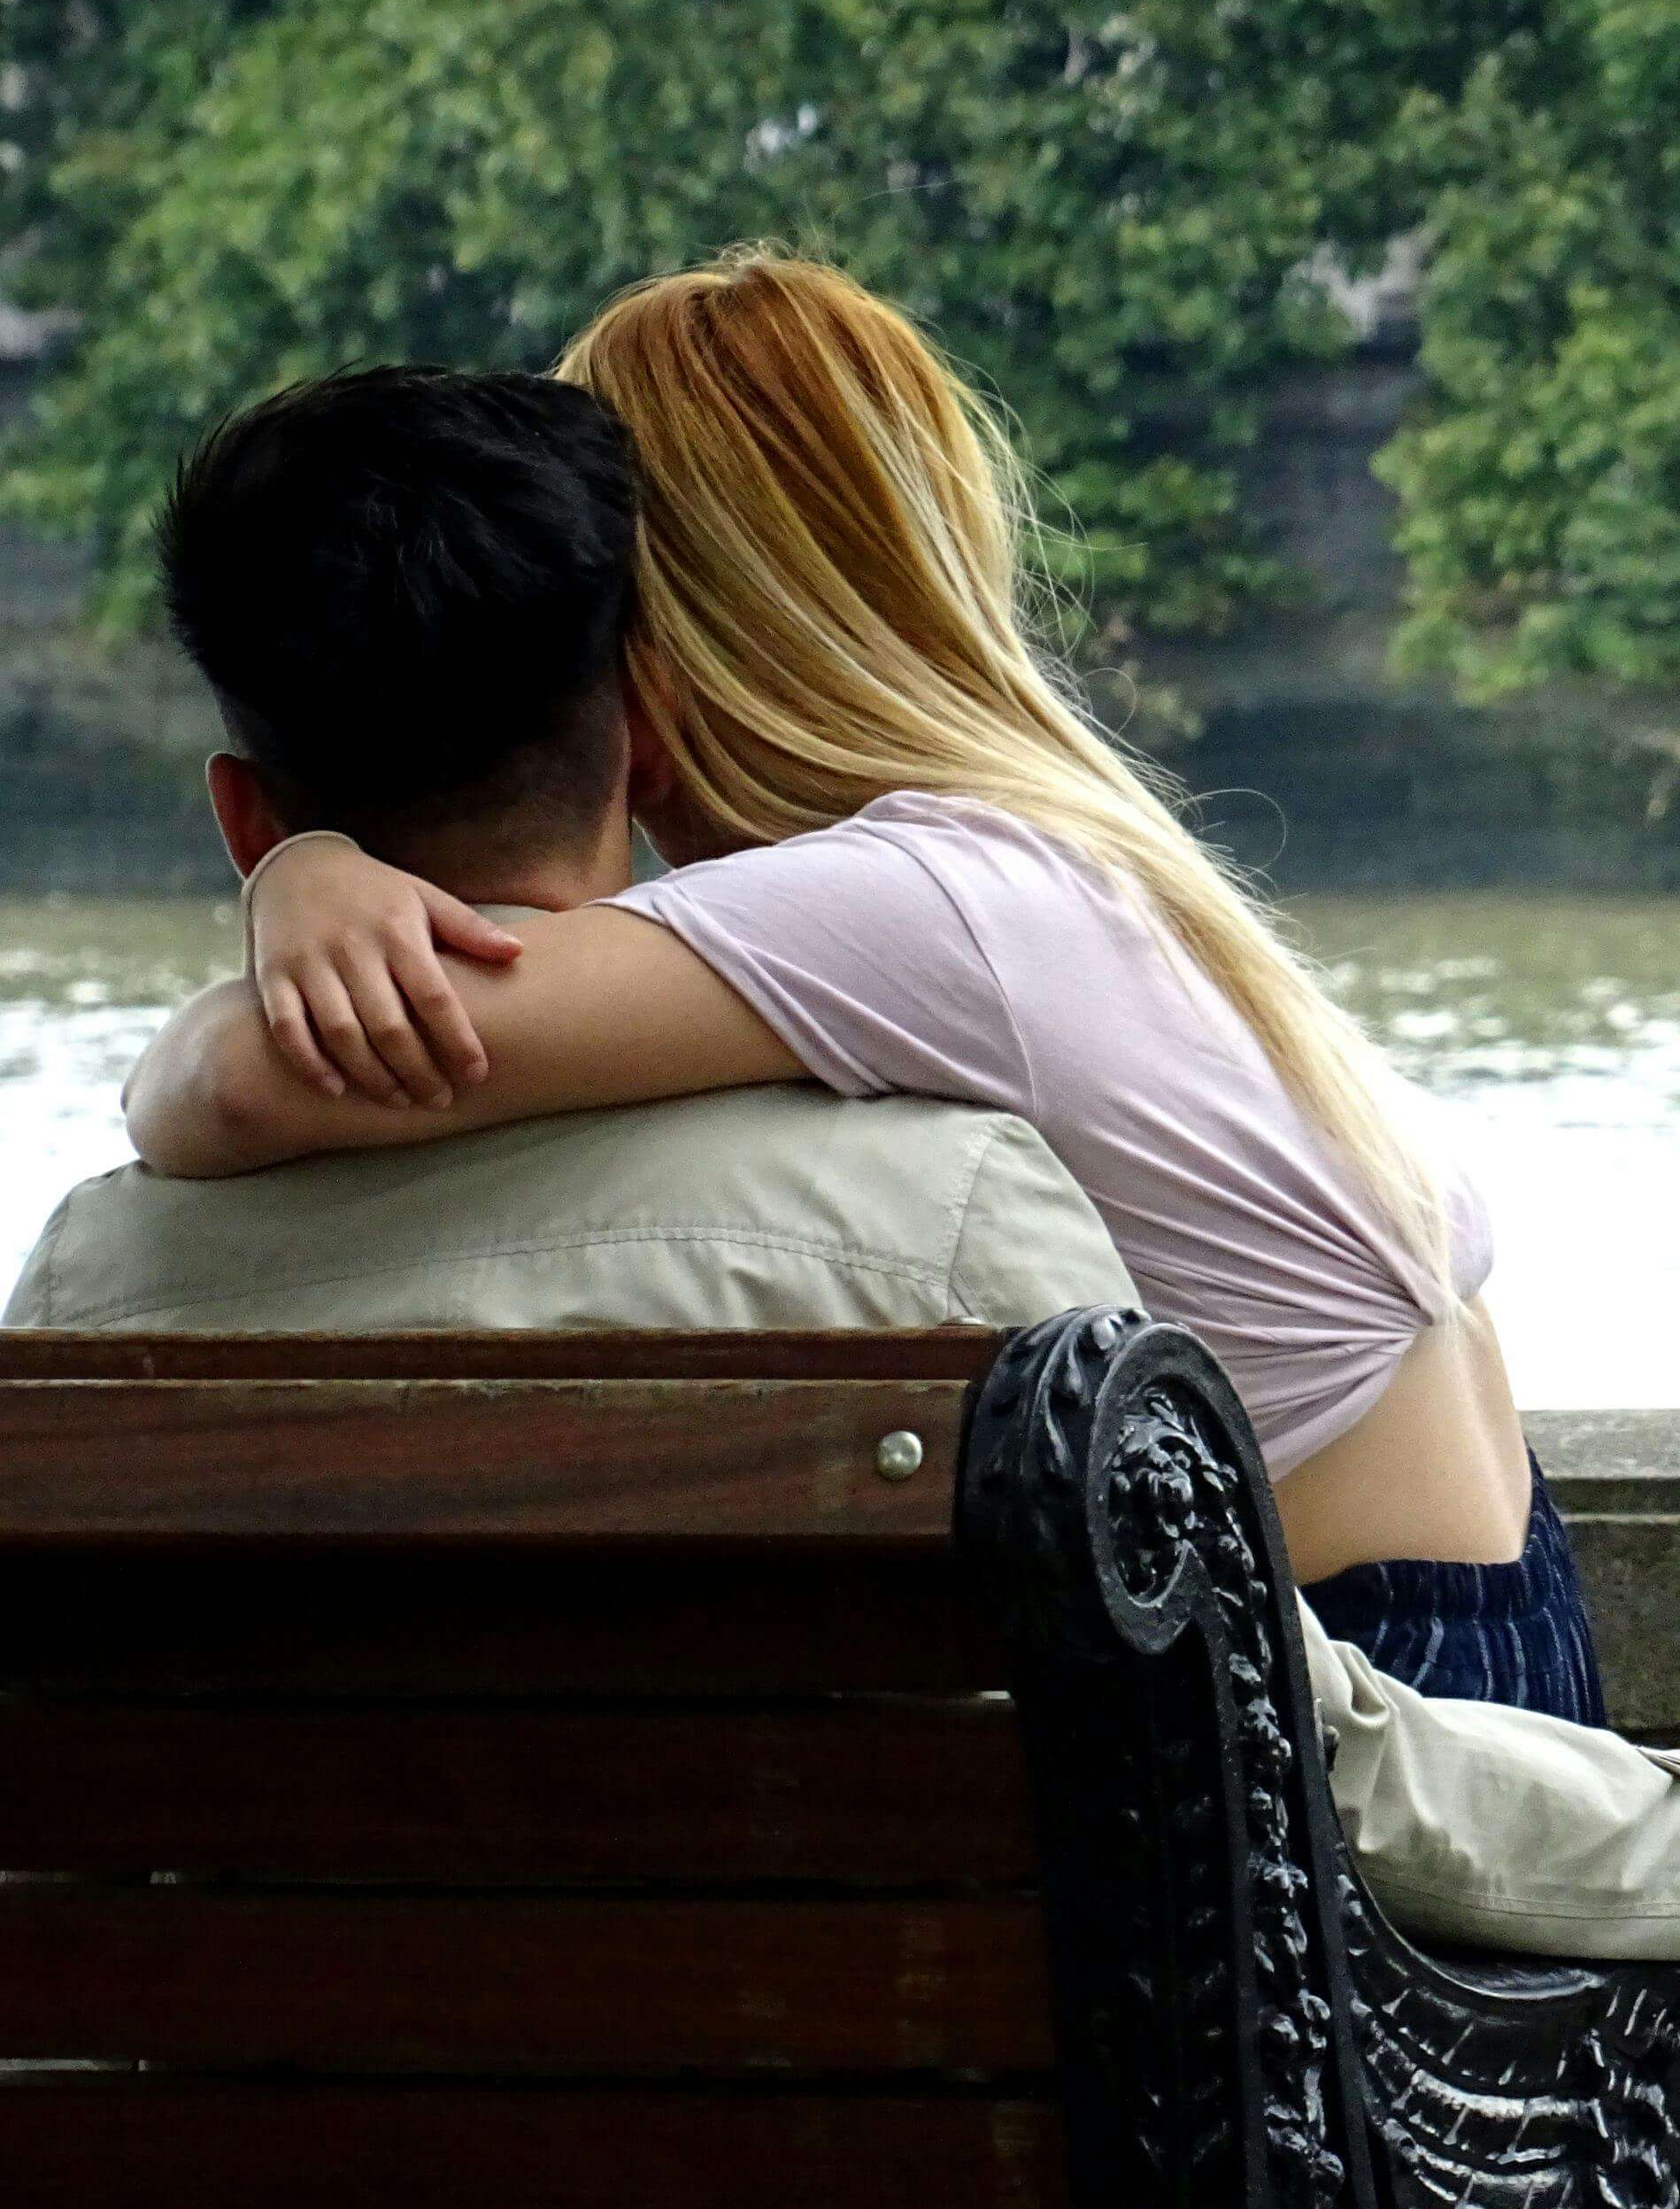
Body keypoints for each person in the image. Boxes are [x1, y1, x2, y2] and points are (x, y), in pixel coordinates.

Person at [39, 362, 1680, 2006]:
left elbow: (234, 1087)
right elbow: (1277, 1742)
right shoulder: (936, 1210)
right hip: (1085, 2021)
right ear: (646, 728)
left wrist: (292, 890)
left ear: (239, 814)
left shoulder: (84, 1293)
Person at [127, 251, 1591, 1724]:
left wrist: (298, 871)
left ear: (648, 665)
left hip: (1371, 1712)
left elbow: (239, 1089)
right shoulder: (1033, 858)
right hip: (1461, 1652)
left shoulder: (899, 909)